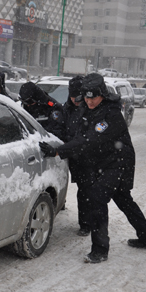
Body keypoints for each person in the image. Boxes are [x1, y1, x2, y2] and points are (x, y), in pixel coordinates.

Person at [39, 73, 146, 264]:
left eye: (93, 97)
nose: (90, 101)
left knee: (96, 200)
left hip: (118, 163)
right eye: (86, 97)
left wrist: (58, 151)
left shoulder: (110, 114)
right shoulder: (86, 109)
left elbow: (89, 140)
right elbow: (76, 133)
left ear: (102, 94)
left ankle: (100, 250)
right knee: (124, 201)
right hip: (104, 163)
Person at [61, 76, 90, 236]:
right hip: (72, 156)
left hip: (87, 157)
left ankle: (87, 224)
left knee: (86, 192)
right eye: (72, 96)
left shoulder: (89, 109)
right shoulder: (67, 108)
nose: (74, 100)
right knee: (81, 189)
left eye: (77, 96)